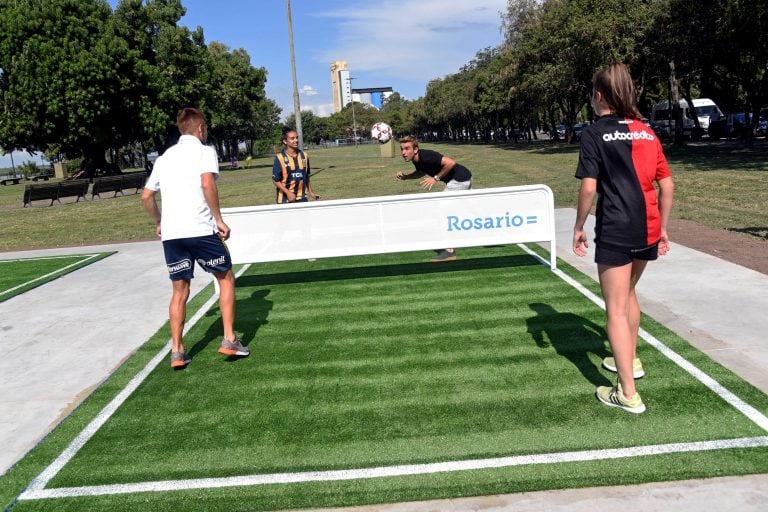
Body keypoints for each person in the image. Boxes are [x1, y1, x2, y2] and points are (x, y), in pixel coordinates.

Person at [573, 63, 674, 413]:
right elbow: (668, 184)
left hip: (616, 227)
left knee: (615, 309)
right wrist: (662, 226)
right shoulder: (647, 132)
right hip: (646, 226)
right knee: (629, 293)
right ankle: (630, 359)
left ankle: (627, 393)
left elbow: (588, 188)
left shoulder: (593, 133)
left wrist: (578, 226)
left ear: (599, 95)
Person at [141, 107, 249, 369]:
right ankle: (229, 339)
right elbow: (207, 183)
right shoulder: (205, 151)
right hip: (200, 230)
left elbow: (146, 196)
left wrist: (159, 222)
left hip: (173, 235)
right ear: (200, 128)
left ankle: (177, 351)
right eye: (206, 127)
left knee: (179, 290)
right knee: (225, 277)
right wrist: (219, 219)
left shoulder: (164, 158)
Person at [394, 136, 473, 262]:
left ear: (415, 149)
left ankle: (449, 251)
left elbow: (450, 162)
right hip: (464, 177)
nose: (403, 152)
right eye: (402, 149)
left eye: (407, 149)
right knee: (467, 210)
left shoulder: (427, 156)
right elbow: (421, 172)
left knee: (441, 211)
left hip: (459, 180)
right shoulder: (417, 159)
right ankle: (495, 232)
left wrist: (435, 178)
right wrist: (406, 177)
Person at [272, 128, 320, 203]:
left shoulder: (304, 156)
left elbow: (306, 176)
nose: (296, 140)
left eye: (297, 138)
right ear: (285, 141)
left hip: (302, 197)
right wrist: (288, 193)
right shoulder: (280, 158)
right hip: (285, 199)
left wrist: (311, 192)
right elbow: (275, 180)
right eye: (292, 138)